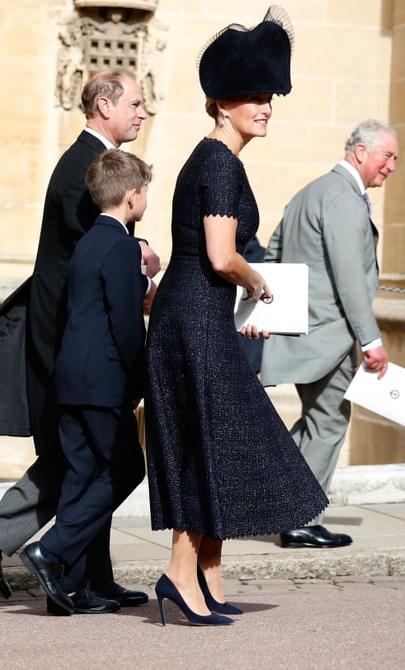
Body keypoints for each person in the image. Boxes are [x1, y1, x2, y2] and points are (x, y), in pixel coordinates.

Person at [143, 6, 328, 626]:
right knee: (214, 443)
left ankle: (206, 576)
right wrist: (260, 287)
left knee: (211, 443)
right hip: (195, 317)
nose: (266, 105)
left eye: (269, 95)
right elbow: (223, 257)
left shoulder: (214, 158)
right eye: (254, 96)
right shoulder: (220, 162)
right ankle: (178, 575)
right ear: (222, 103)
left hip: (195, 315)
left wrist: (244, 294)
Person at [0, 69, 157, 613]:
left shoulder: (92, 166)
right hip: (76, 347)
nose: (144, 113)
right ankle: (58, 566)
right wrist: (139, 276)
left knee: (87, 466)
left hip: (78, 346)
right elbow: (92, 266)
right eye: (136, 103)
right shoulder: (81, 170)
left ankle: (82, 575)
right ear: (105, 104)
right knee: (93, 465)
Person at [22, 150, 151, 614]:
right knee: (125, 468)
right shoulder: (119, 245)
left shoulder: (88, 242)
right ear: (132, 195)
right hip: (103, 379)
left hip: (71, 377)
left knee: (82, 477)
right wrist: (139, 377)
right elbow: (125, 321)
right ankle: (51, 551)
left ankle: (69, 589)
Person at [261, 120, 398, 549]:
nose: (392, 167)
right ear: (360, 151)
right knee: (330, 422)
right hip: (330, 336)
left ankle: (275, 491)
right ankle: (300, 517)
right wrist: (372, 342)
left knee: (320, 419)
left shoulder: (309, 192)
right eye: (387, 156)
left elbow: (274, 255)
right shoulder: (343, 198)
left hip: (301, 334)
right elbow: (350, 280)